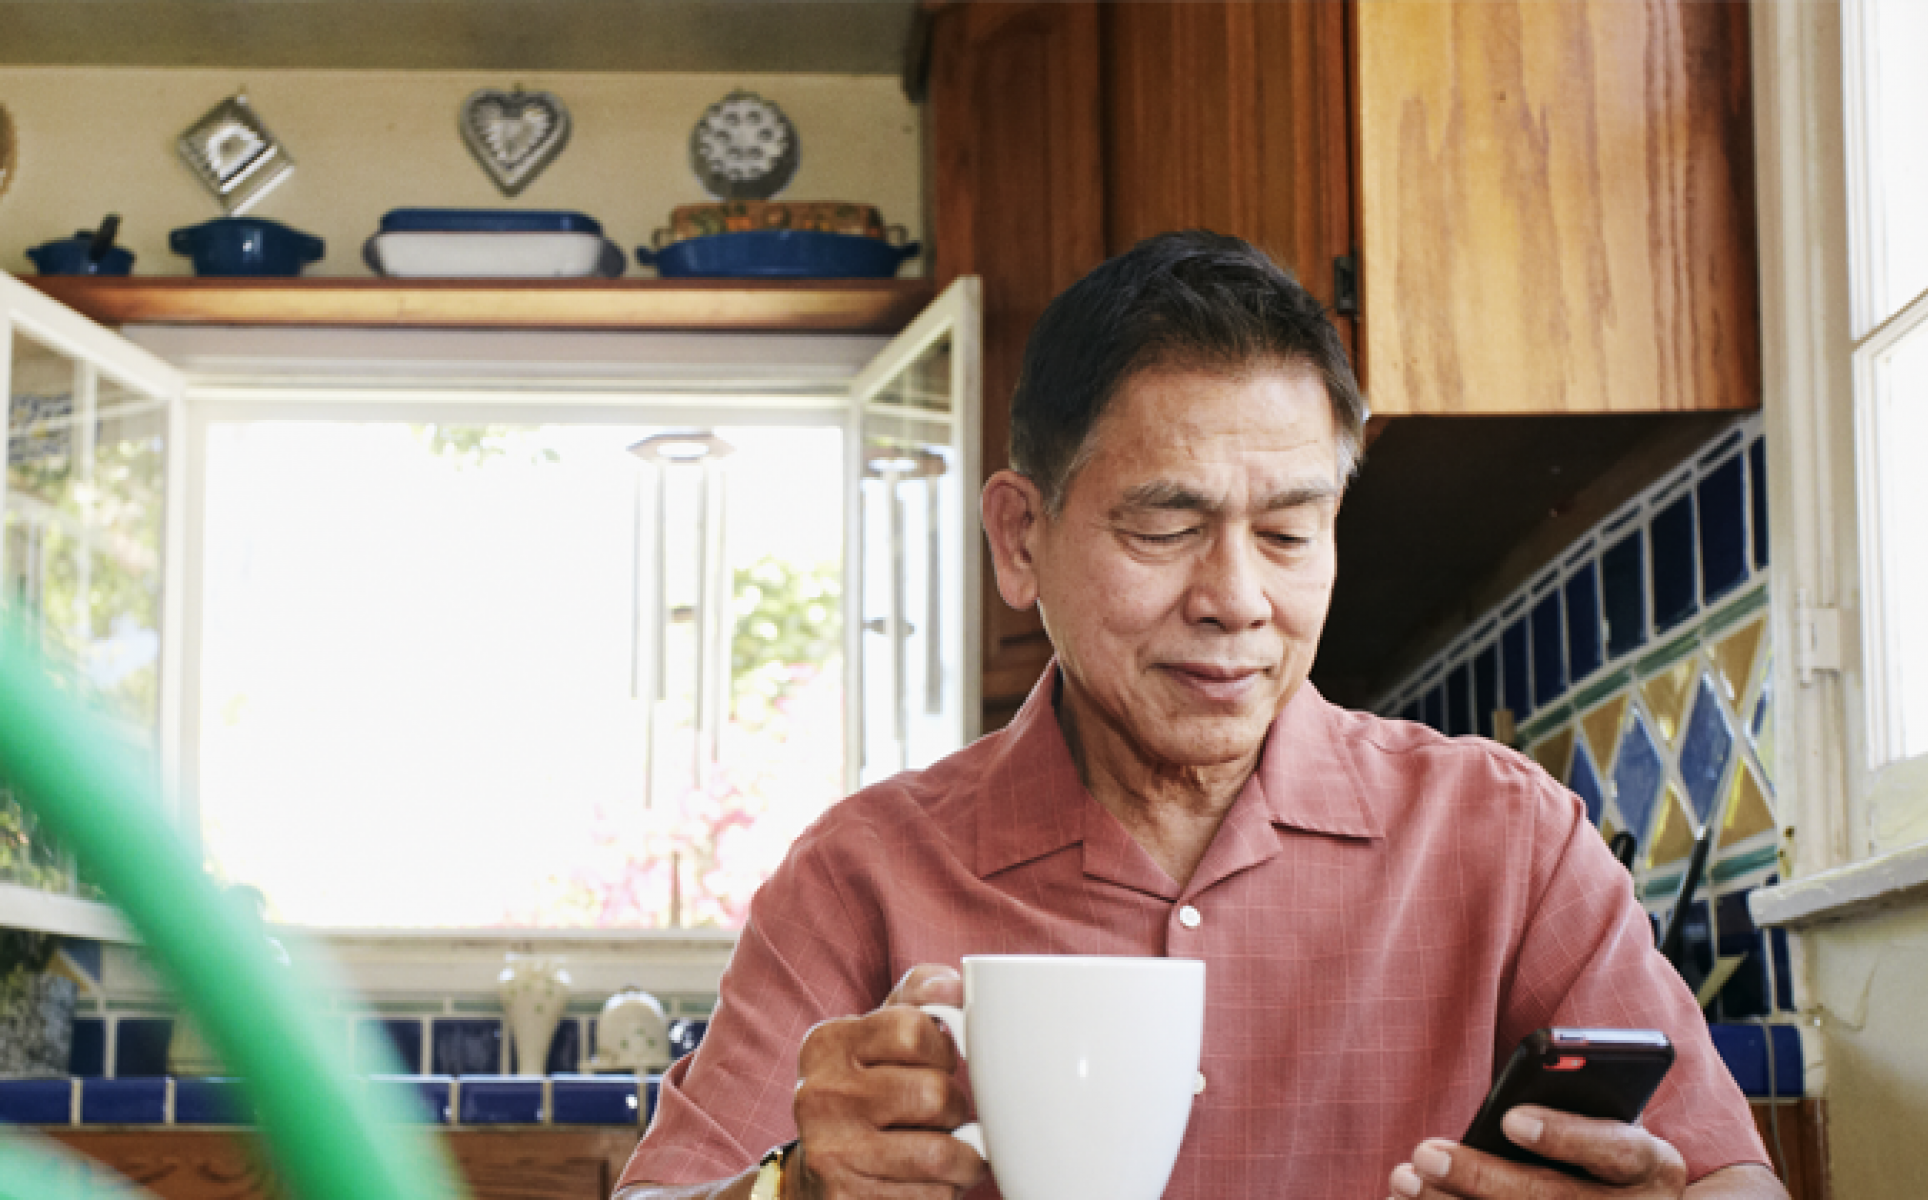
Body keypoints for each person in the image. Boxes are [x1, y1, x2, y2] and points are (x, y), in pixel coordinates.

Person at [615, 232, 1786, 1200]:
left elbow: (1730, 1181)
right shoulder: (862, 871)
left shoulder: (1508, 838)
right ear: (1020, 539)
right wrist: (790, 1188)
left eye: (1287, 532)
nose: (1236, 600)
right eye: (1165, 527)